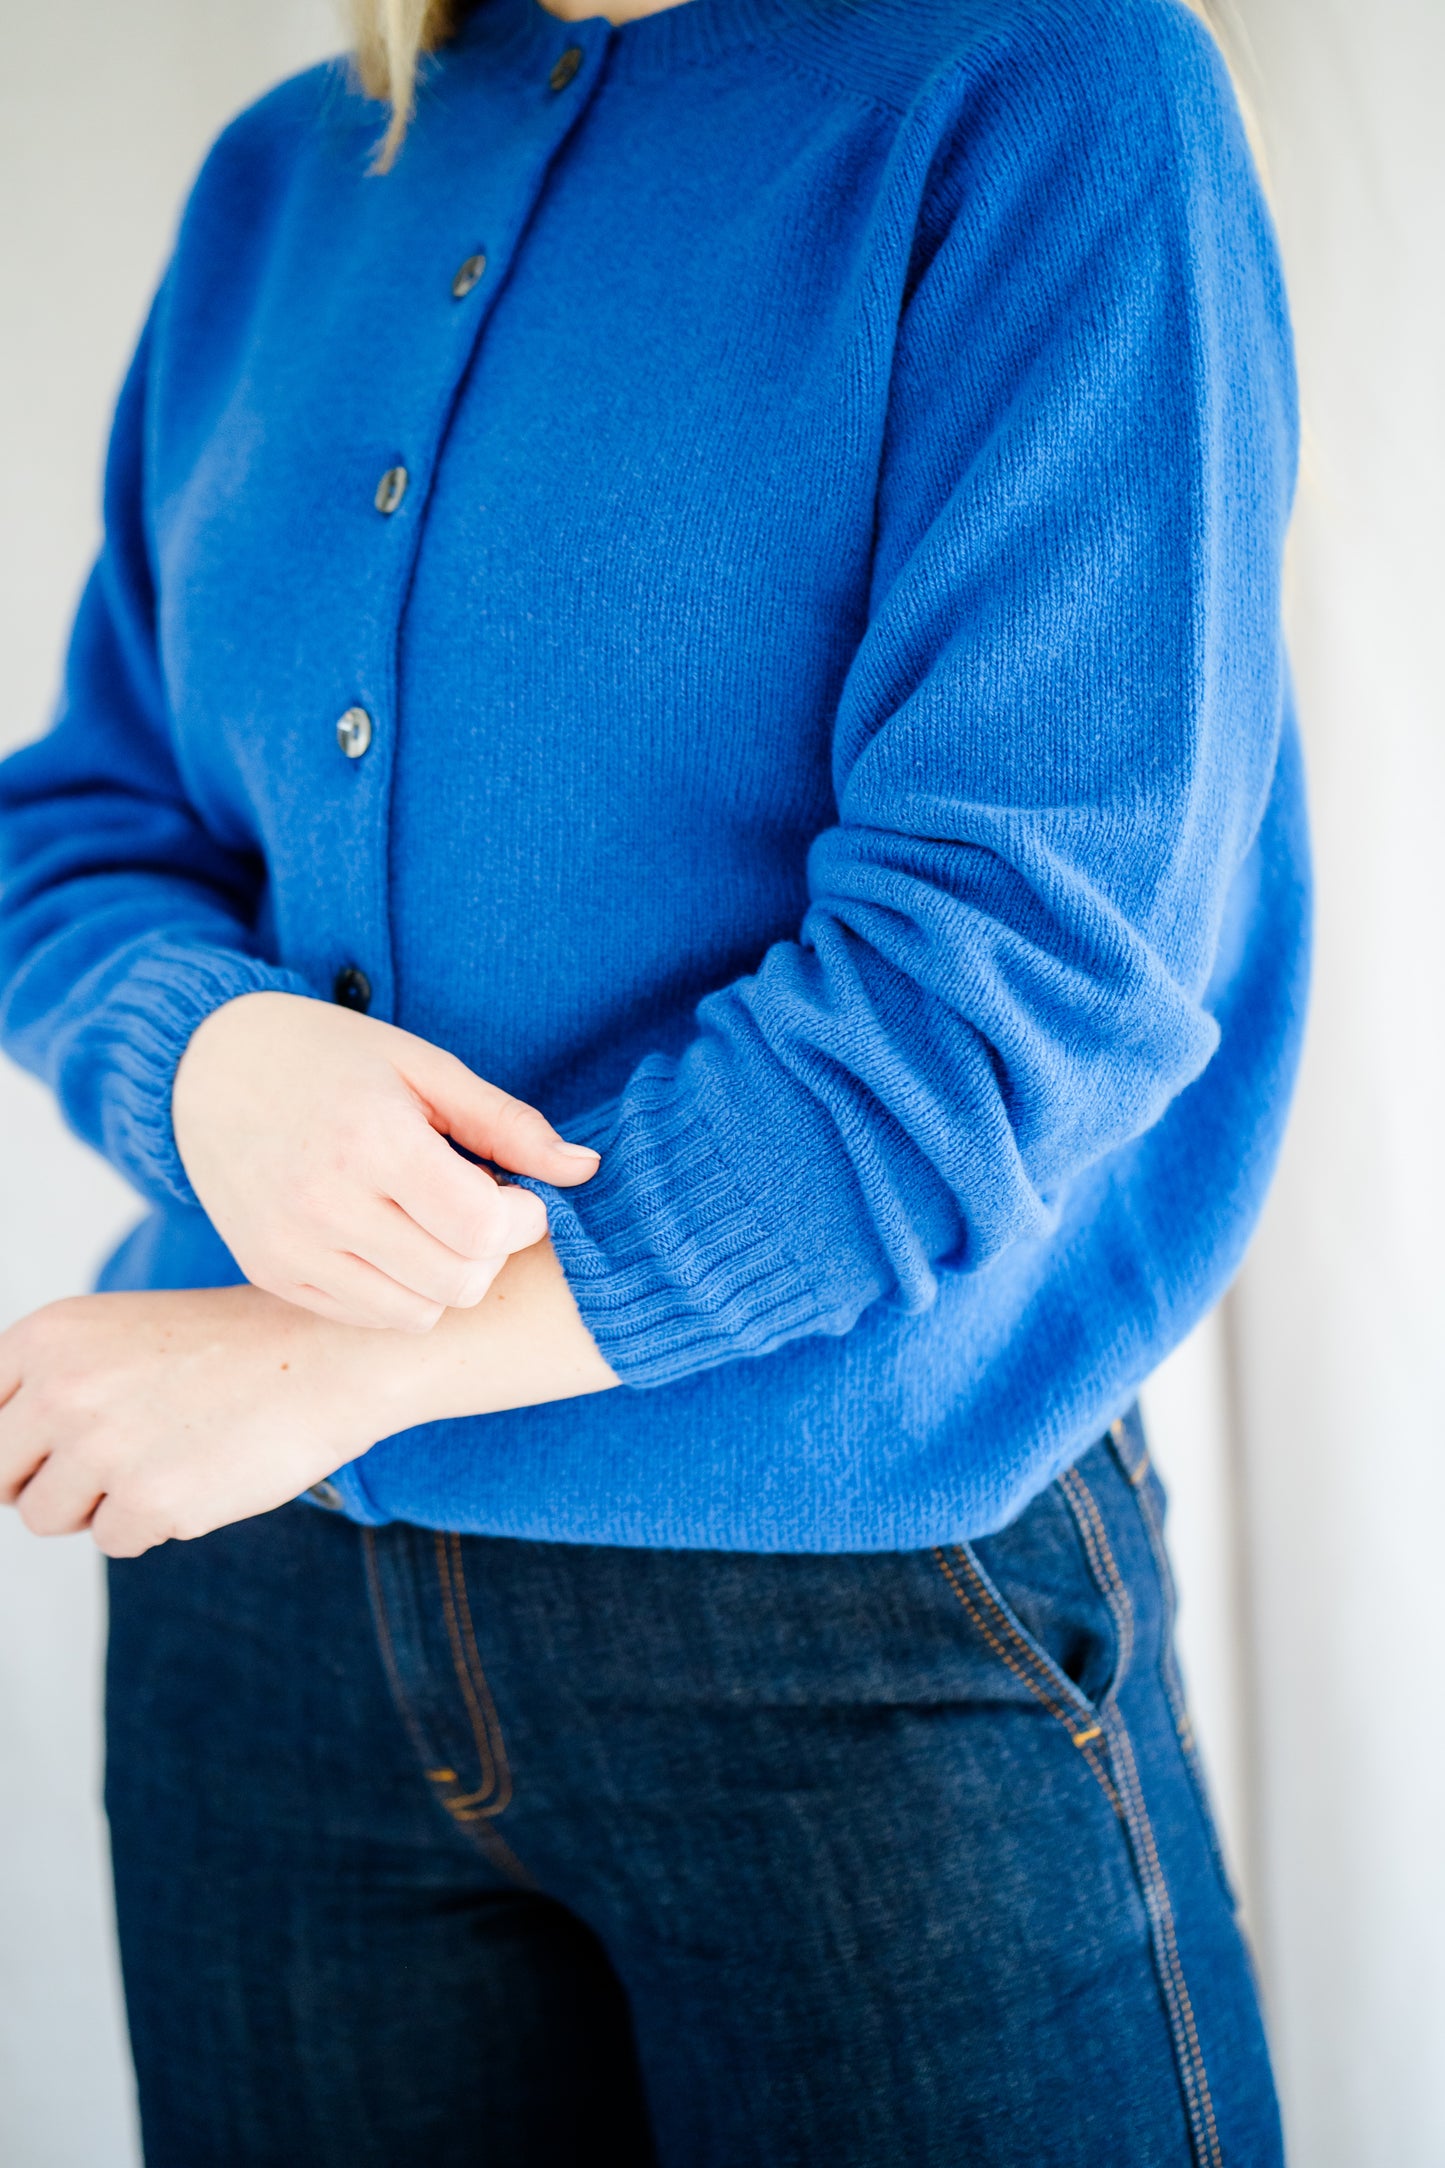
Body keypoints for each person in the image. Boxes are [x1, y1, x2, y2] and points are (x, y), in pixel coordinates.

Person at [0, 0, 1305, 2158]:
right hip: (266, 1622)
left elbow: (1023, 967)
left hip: (851, 1613)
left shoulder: (1046, 88)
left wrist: (349, 1364)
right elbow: (80, 820)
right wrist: (204, 1054)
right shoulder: (288, 175)